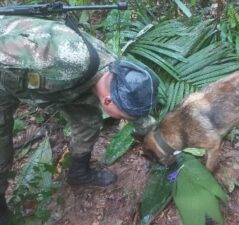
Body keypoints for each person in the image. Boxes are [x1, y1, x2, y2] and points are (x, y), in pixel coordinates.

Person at [0, 15, 159, 224]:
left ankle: (79, 172)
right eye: (125, 118)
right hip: (6, 75)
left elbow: (136, 111)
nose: (127, 120)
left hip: (61, 87)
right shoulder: (63, 61)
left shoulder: (116, 72)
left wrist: (160, 138)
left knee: (88, 121)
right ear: (109, 101)